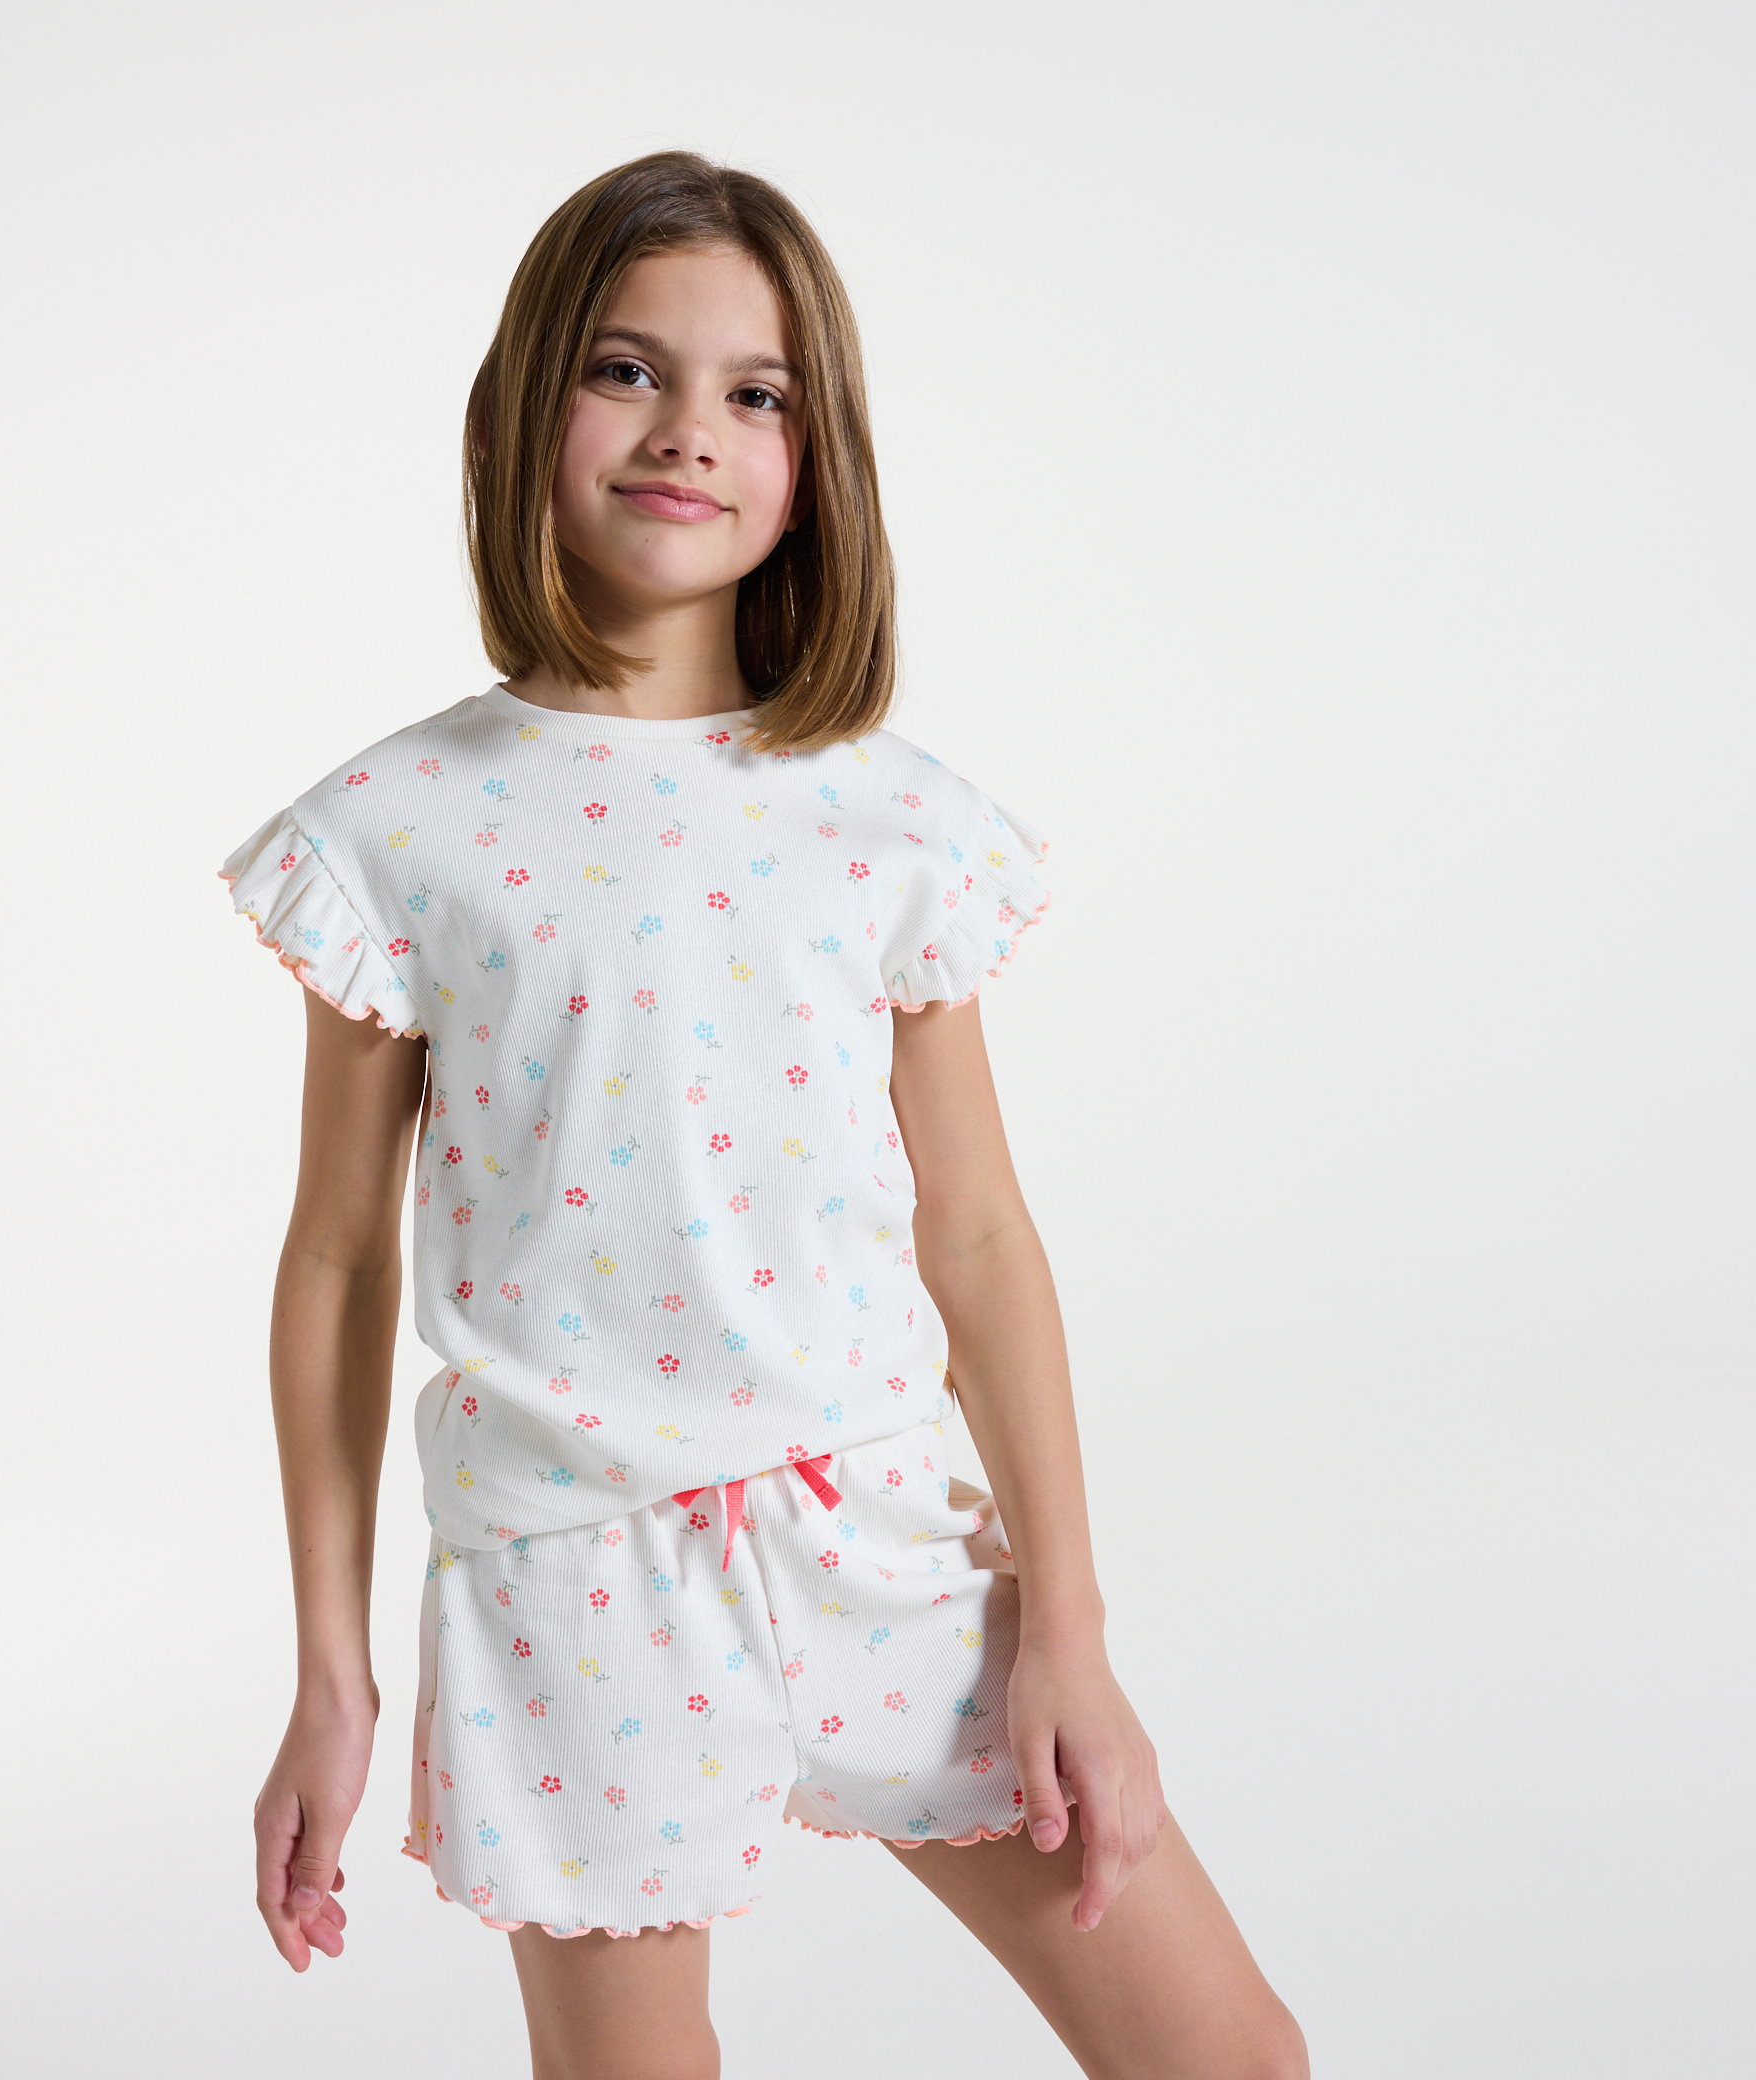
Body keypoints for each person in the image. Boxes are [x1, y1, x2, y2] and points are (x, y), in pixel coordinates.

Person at [217, 149, 1307, 2080]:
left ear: (817, 456)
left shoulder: (887, 814)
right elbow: (337, 1258)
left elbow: (981, 1233)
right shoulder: (398, 828)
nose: (688, 432)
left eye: (757, 392)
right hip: (572, 1575)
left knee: (1226, 2056)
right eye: (627, 369)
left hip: (878, 1528)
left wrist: (1068, 1626)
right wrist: (330, 1676)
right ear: (528, 401)